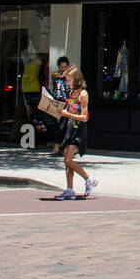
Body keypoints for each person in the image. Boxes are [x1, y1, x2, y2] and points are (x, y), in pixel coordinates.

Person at [53, 67, 96, 199]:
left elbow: (84, 117)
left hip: (78, 129)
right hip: (70, 128)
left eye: (70, 80)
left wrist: (67, 114)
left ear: (77, 79)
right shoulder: (72, 92)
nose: (68, 82)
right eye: (67, 80)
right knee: (67, 160)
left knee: (67, 159)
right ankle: (70, 189)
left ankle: (89, 179)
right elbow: (67, 110)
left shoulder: (83, 94)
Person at [48, 56, 71, 156]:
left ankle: (59, 147)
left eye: (65, 67)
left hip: (65, 103)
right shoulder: (56, 75)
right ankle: (58, 146)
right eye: (62, 67)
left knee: (63, 126)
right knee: (54, 124)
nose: (63, 69)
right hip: (55, 102)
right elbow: (55, 76)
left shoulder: (69, 77)